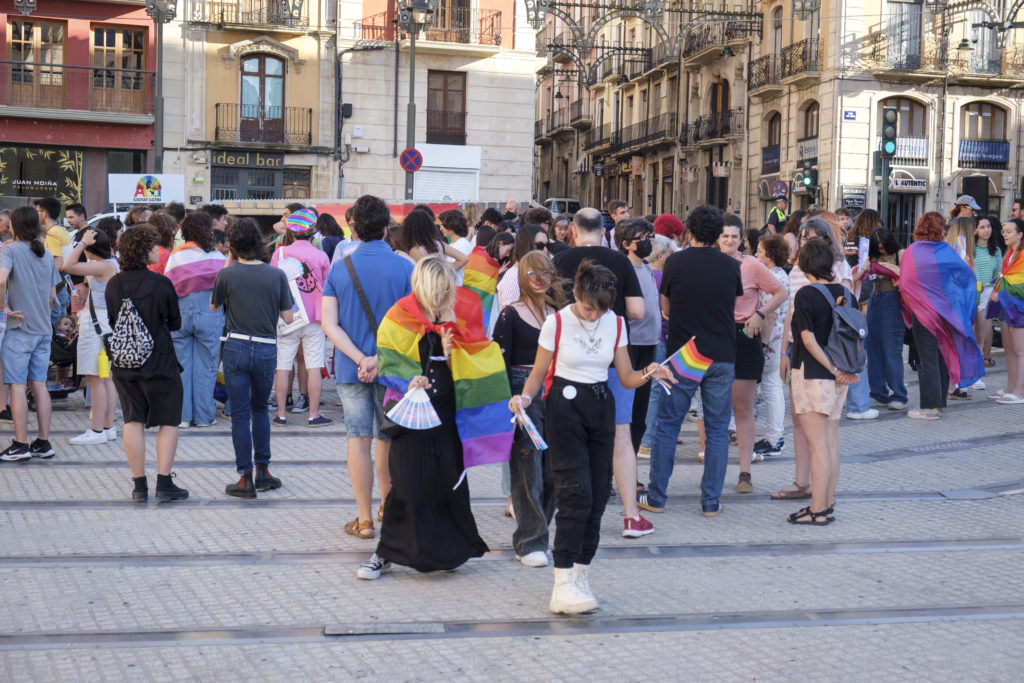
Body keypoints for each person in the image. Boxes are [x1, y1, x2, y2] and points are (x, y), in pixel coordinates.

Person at [510, 261, 673, 613]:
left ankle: (581, 573)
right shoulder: (556, 322)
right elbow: (538, 374)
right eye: (588, 307)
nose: (593, 315)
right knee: (575, 493)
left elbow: (627, 377)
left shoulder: (614, 323)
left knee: (599, 495)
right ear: (577, 295)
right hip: (564, 408)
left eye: (601, 309)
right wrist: (522, 398)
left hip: (601, 406)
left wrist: (651, 372)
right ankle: (563, 579)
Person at [358, 256, 510, 580]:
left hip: (449, 413)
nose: (442, 298)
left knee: (447, 480)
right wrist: (408, 379)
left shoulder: (459, 315)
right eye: (436, 291)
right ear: (422, 288)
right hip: (410, 415)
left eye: (446, 290)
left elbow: (475, 364)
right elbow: (390, 361)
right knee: (407, 482)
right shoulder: (399, 315)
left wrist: (452, 352)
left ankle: (448, 550)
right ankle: (385, 553)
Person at [640, 205, 742, 518]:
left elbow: (665, 308)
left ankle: (657, 496)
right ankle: (711, 501)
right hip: (722, 353)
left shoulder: (675, 263)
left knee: (667, 425)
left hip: (685, 355)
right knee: (716, 428)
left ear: (690, 233)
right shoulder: (731, 266)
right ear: (716, 236)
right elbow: (732, 305)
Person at [322, 194, 414, 539]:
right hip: (393, 368)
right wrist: (379, 359)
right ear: (386, 226)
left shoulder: (339, 267)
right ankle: (388, 510)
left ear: (353, 227)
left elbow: (329, 325)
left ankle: (363, 520)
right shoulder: (405, 267)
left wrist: (361, 359)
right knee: (385, 440)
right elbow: (412, 324)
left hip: (350, 368)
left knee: (357, 439)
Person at [553, 207, 649, 537]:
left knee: (567, 439)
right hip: (613, 362)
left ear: (572, 231)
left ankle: (558, 511)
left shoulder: (560, 260)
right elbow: (637, 310)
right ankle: (631, 516)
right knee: (620, 437)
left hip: (568, 366)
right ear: (604, 231)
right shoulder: (620, 261)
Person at [104, 225, 188, 502]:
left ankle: (139, 486)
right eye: (153, 246)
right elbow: (175, 323)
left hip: (125, 362)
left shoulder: (114, 284)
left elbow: (115, 322)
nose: (157, 250)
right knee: (169, 420)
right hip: (160, 361)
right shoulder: (161, 283)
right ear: (142, 249)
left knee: (133, 419)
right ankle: (164, 484)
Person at [212, 219, 294, 498]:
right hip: (265, 347)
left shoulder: (228, 275)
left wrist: (228, 260)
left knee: (240, 413)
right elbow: (288, 316)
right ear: (259, 243)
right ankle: (264, 471)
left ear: (233, 246)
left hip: (235, 345)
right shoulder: (276, 275)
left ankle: (244, 477)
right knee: (260, 409)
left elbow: (214, 307)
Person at [773, 218, 853, 500]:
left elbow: (820, 330)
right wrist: (784, 349)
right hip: (821, 360)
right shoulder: (823, 283)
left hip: (819, 362)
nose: (805, 243)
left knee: (821, 441)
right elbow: (794, 314)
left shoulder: (822, 282)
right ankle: (820, 496)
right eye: (803, 238)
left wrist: (833, 366)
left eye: (810, 239)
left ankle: (819, 506)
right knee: (823, 436)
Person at [493, 251, 564, 565]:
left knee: (553, 471)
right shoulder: (510, 314)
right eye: (533, 273)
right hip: (521, 394)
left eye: (546, 272)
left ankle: (537, 533)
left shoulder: (559, 312)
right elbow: (498, 362)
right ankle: (530, 541)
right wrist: (509, 402)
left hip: (558, 393)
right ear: (522, 276)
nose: (540, 279)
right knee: (528, 469)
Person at [786, 239, 859, 524]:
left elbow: (807, 339)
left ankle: (817, 510)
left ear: (804, 265)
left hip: (813, 374)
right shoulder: (846, 292)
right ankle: (827, 503)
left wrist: (830, 367)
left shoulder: (806, 295)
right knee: (831, 444)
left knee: (817, 446)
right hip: (840, 376)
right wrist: (841, 369)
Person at [716, 220, 786, 492]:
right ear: (717, 238)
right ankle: (715, 471)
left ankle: (745, 472)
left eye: (734, 236)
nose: (729, 241)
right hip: (715, 336)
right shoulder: (710, 263)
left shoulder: (751, 265)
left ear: (741, 239)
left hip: (744, 336)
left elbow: (779, 293)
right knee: (715, 408)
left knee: (743, 408)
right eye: (725, 236)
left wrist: (760, 314)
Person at [899, 212, 984, 419]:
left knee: (927, 359)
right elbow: (966, 277)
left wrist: (913, 303)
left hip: (923, 313)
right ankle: (939, 402)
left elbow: (905, 283)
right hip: (945, 314)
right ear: (941, 230)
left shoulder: (912, 251)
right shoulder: (947, 250)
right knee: (941, 356)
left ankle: (929, 409)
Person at [0, 206, 60, 462]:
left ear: (14, 226)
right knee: (39, 385)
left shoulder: (9, 250)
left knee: (17, 385)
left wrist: (5, 307)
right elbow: (52, 297)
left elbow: (1, 280)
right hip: (43, 329)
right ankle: (43, 442)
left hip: (20, 329)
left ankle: (21, 444)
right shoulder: (45, 254)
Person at [269, 209, 332, 428]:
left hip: (287, 315)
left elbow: (273, 282)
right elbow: (326, 286)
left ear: (291, 232)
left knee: (283, 364)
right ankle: (313, 414)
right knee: (313, 364)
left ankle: (282, 414)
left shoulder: (281, 253)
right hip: (314, 316)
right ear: (313, 231)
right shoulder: (321, 256)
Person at [164, 212, 226, 429]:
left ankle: (182, 416)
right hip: (210, 313)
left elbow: (168, 288)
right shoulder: (218, 258)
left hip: (180, 315)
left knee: (181, 366)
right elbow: (224, 291)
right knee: (207, 366)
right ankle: (204, 416)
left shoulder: (176, 256)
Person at [63, 229, 119, 445]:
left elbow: (67, 265)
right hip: (102, 323)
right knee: (105, 378)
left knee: (95, 379)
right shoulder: (108, 262)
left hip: (97, 325)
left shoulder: (104, 264)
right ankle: (107, 428)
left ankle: (97, 430)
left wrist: (80, 243)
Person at [614, 218, 661, 459]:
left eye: (648, 238)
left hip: (650, 345)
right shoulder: (624, 269)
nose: (646, 243)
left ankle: (629, 465)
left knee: (640, 414)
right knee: (625, 413)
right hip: (629, 347)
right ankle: (616, 468)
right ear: (626, 244)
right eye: (641, 239)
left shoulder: (648, 268)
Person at [855, 227, 908, 410]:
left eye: (884, 247)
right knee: (873, 347)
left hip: (892, 299)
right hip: (875, 298)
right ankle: (878, 392)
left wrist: (885, 270)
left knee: (891, 349)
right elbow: (858, 277)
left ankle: (899, 394)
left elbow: (907, 275)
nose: (882, 251)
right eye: (878, 248)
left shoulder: (900, 253)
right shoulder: (870, 256)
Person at [638, 234, 678, 458]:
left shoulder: (643, 274)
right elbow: (666, 310)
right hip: (662, 335)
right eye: (671, 254)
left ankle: (645, 438)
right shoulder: (662, 277)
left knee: (649, 387)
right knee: (658, 387)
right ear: (661, 255)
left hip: (645, 337)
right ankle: (647, 442)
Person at [753, 234, 790, 458]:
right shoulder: (779, 274)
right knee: (772, 386)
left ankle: (774, 439)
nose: (757, 254)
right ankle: (774, 437)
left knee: (771, 386)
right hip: (776, 339)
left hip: (771, 340)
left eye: (760, 251)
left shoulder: (773, 277)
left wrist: (763, 343)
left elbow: (771, 314)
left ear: (771, 255)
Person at [991, 219, 1024, 403]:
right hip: (1007, 305)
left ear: (1020, 234)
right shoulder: (1009, 254)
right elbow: (1006, 278)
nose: (1004, 234)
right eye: (1004, 231)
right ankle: (1011, 386)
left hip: (1019, 307)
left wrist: (1001, 293)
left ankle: (1020, 392)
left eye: (1009, 231)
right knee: (1010, 349)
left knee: (1020, 350)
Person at [37, 197, 71, 326]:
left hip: (56, 290)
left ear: (44, 213)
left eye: (38, 211)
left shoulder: (52, 234)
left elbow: (58, 265)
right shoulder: (62, 230)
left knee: (54, 330)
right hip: (62, 287)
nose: (37, 214)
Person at [496, 224, 549, 308]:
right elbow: (511, 317)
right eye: (540, 246)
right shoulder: (514, 277)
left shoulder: (531, 272)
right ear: (525, 246)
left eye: (547, 245)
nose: (545, 250)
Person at [974, 216, 1003, 367]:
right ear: (975, 230)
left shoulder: (996, 251)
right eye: (982, 227)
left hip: (987, 294)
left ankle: (981, 362)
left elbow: (999, 274)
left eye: (989, 227)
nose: (987, 230)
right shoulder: (970, 249)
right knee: (973, 331)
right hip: (972, 294)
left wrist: (992, 287)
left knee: (984, 331)